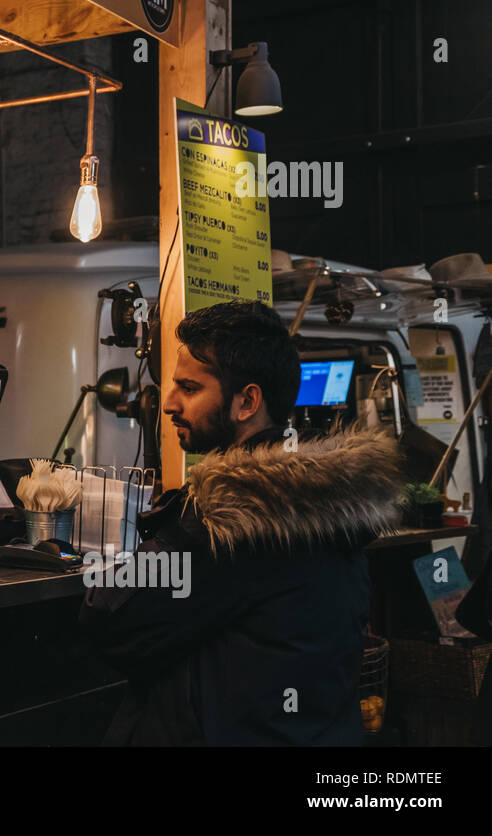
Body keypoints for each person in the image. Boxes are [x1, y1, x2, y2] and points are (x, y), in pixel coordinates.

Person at [78, 299, 404, 745]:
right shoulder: (326, 498)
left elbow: (108, 612)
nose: (169, 403)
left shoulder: (231, 516)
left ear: (247, 401)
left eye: (189, 388)